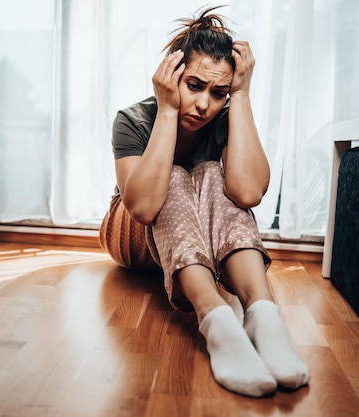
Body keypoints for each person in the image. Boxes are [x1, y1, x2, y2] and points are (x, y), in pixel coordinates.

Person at [99, 7, 310, 397]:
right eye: (194, 85)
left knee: (215, 174)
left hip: (203, 245)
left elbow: (247, 193)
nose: (203, 104)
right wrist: (167, 109)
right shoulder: (134, 118)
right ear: (172, 76)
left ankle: (263, 316)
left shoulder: (229, 115)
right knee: (176, 176)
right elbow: (142, 207)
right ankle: (215, 319)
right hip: (132, 236)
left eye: (219, 92)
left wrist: (242, 96)